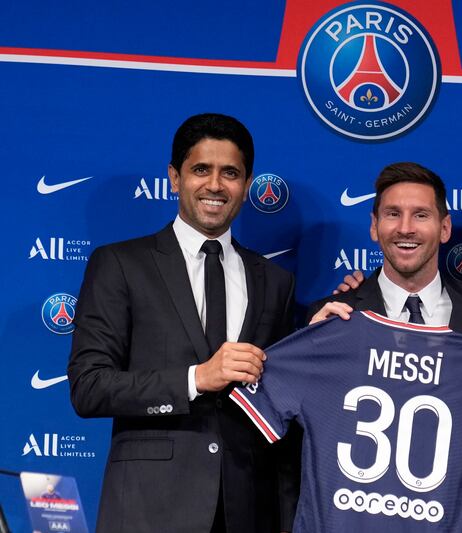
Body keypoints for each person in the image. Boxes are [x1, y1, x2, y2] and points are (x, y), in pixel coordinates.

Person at [68, 113, 297, 533]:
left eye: (230, 173)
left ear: (247, 186)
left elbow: (280, 404)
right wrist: (196, 378)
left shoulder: (275, 281)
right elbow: (90, 387)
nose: (214, 185)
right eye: (200, 170)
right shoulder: (120, 264)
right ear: (174, 178)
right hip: (149, 508)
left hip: (248, 509)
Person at [308, 162, 462, 532]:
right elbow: (305, 431)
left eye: (421, 215)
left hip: (454, 517)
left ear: (444, 228)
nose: (405, 228)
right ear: (373, 226)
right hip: (354, 518)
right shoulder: (333, 316)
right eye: (392, 214)